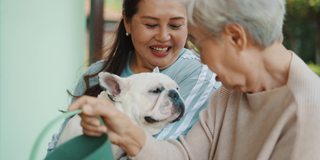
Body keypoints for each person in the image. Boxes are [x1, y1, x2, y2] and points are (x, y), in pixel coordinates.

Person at [69, 0, 320, 159]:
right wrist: (123, 130)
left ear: (235, 37)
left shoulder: (309, 114)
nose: (199, 60)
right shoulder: (228, 95)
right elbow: (185, 155)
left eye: (200, 43)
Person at [47, 0, 219, 153]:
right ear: (128, 23)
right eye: (151, 25)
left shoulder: (198, 75)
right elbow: (59, 147)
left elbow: (163, 153)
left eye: (175, 25)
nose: (163, 36)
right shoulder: (95, 75)